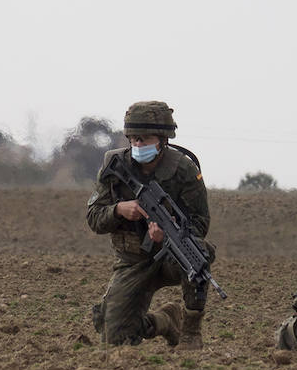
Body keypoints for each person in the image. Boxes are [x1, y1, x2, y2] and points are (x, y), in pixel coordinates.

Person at [86, 100, 212, 348]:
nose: (138, 145)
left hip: (172, 259)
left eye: (144, 139)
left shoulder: (184, 169)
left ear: (163, 139)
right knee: (115, 337)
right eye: (133, 139)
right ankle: (165, 321)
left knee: (199, 255)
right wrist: (119, 210)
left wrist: (167, 236)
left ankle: (190, 330)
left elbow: (200, 222)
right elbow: (94, 218)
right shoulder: (115, 166)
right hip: (133, 260)